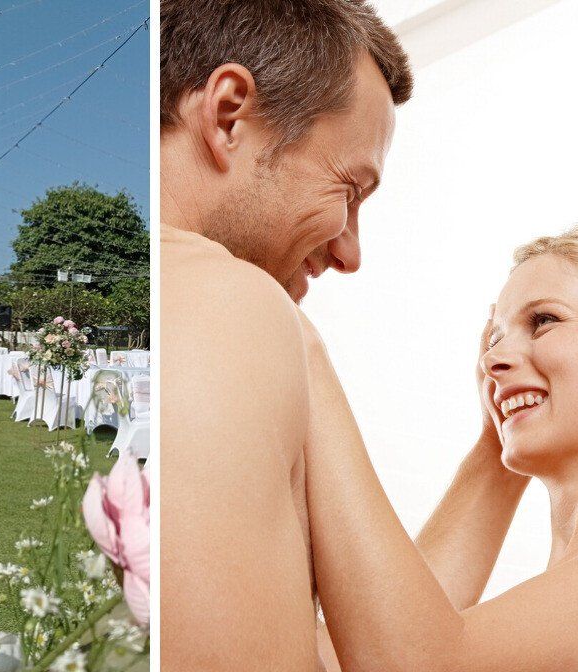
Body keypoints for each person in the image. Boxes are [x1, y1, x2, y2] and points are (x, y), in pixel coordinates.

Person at [162, 1, 531, 668]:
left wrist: (493, 458)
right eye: (350, 190)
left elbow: (338, 647)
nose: (350, 252)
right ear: (229, 116)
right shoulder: (227, 302)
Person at [305, 225, 578, 670]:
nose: (490, 360)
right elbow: (338, 658)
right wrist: (495, 444)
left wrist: (303, 353)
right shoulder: (537, 617)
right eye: (494, 338)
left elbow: (410, 663)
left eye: (543, 321)